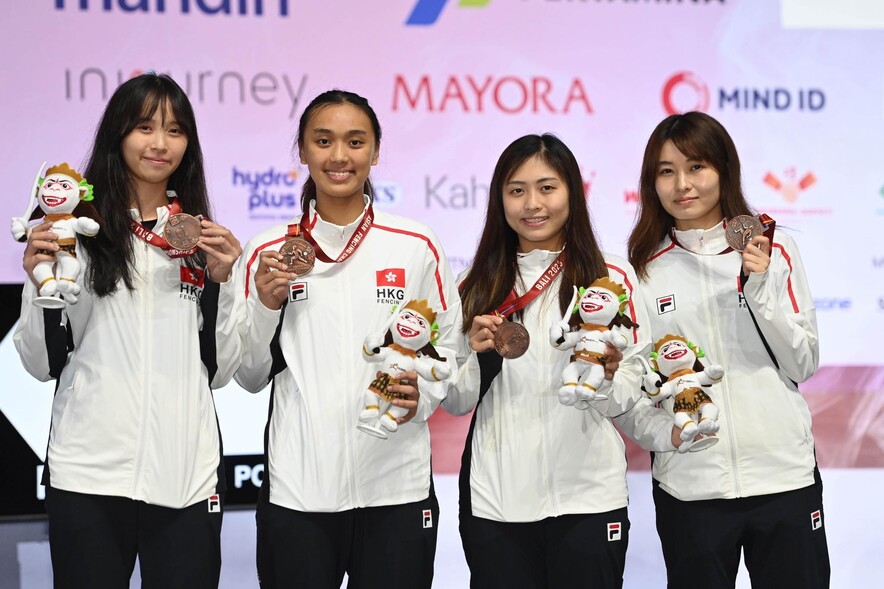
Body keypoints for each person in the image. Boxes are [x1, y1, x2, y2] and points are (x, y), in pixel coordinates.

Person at [14, 73, 243, 589]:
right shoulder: (75, 230)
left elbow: (224, 367)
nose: (160, 143)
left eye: (176, 130)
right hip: (88, 472)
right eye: (145, 127)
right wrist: (38, 284)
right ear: (118, 133)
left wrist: (226, 284)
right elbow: (39, 361)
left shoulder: (203, 240)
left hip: (185, 476)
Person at [234, 89, 460, 589]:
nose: (339, 156)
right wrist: (267, 307)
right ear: (303, 151)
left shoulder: (416, 244)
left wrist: (423, 397)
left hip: (396, 485)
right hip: (299, 490)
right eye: (324, 141)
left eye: (355, 142)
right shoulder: (267, 252)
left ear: (376, 152)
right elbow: (249, 375)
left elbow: (451, 351)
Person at [621, 111, 830, 588]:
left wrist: (758, 287)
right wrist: (665, 438)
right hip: (691, 485)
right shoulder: (641, 270)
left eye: (696, 167)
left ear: (724, 170)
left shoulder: (772, 249)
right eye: (666, 171)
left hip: (783, 478)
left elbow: (803, 361)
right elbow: (631, 387)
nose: (682, 185)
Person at [446, 133, 652, 588]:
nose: (532, 204)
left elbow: (631, 393)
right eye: (516, 190)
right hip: (498, 500)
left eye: (547, 187)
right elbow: (457, 401)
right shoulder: (473, 284)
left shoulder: (611, 277)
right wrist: (478, 359)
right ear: (500, 199)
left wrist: (609, 375)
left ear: (572, 194)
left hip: (589, 496)